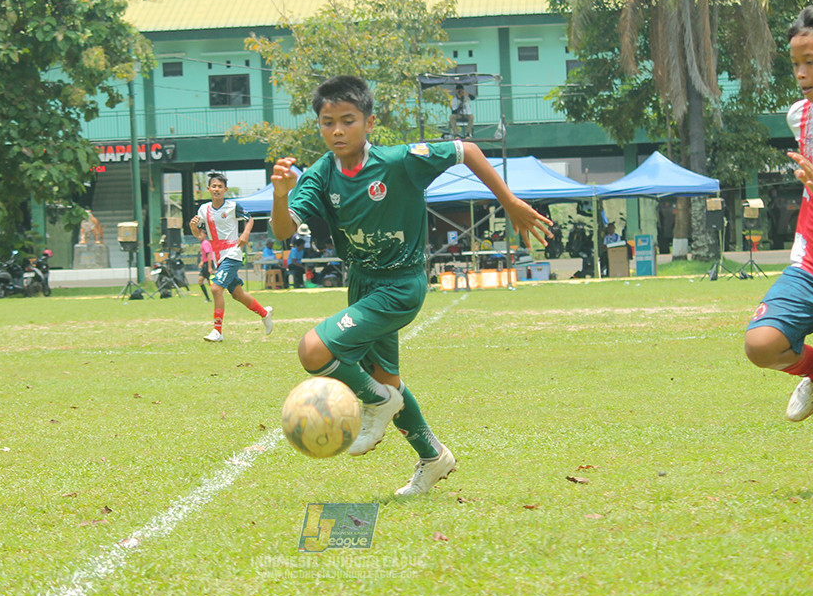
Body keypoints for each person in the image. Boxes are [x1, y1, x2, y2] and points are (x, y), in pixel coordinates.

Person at [270, 76, 552, 496]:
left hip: (401, 285)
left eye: (348, 120)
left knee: (313, 350)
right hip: (362, 285)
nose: (338, 130)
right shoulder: (320, 174)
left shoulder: (400, 161)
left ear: (370, 123)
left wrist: (509, 202)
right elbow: (282, 232)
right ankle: (433, 456)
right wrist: (280, 194)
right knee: (388, 378)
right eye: (328, 122)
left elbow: (467, 149)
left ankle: (377, 401)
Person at [745, 5, 813, 492]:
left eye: (812, 60)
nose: (801, 73)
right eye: (795, 63)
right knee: (761, 346)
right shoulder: (798, 115)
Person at [190, 172, 272, 342]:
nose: (217, 189)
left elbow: (250, 219)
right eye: (214, 186)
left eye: (220, 186)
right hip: (218, 256)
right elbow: (200, 236)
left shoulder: (233, 206)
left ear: (225, 189)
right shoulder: (203, 210)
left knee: (215, 289)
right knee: (237, 294)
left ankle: (217, 331)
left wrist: (245, 234)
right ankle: (265, 313)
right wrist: (193, 228)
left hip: (233, 253)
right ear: (208, 189)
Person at [195, 229, 213, 302]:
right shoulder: (203, 243)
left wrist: (210, 267)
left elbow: (209, 254)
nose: (199, 236)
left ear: (205, 235)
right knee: (201, 281)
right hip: (205, 264)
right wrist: (202, 262)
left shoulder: (205, 243)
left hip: (207, 264)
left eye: (201, 235)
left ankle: (216, 296)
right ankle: (208, 298)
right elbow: (205, 254)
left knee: (210, 283)